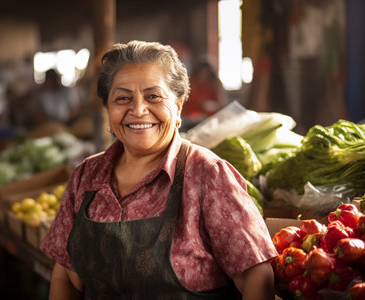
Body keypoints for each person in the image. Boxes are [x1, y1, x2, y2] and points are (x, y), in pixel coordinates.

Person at [40, 40, 278, 299]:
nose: (138, 110)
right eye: (122, 98)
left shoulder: (208, 175)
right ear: (108, 108)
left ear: (178, 106)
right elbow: (65, 274)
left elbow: (257, 275)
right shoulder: (86, 177)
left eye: (153, 96)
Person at [181, 60, 224, 130]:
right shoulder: (189, 82)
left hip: (211, 121)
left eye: (206, 73)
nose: (203, 76)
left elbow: (221, 104)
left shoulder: (215, 83)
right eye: (201, 73)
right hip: (189, 120)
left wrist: (211, 106)